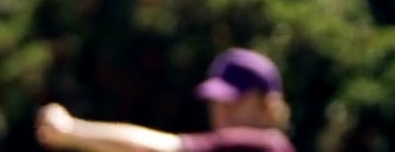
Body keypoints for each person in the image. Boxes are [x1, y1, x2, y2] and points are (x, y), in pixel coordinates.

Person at [37, 49, 297, 152]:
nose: (221, 112)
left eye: (233, 101)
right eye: (216, 101)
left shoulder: (267, 147)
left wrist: (70, 129)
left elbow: (161, 149)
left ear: (269, 107)